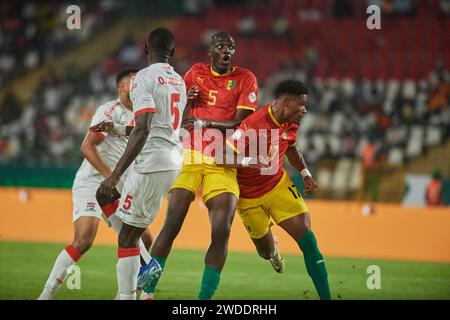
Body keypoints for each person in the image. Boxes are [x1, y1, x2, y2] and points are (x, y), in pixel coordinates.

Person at [144, 32, 259, 300]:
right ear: (210, 51)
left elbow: (242, 124)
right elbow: (180, 117)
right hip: (190, 156)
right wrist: (188, 101)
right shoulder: (195, 73)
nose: (226, 50)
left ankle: (203, 300)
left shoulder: (245, 78)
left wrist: (207, 124)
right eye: (221, 46)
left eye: (231, 46)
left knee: (222, 231)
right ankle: (147, 293)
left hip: (223, 160)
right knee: (172, 223)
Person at [37, 68, 153, 300]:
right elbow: (87, 147)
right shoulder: (109, 111)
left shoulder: (143, 116)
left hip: (117, 187)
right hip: (93, 182)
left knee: (145, 239)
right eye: (134, 83)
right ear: (122, 88)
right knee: (84, 239)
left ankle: (128, 293)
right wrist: (111, 177)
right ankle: (46, 295)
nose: (139, 86)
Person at [97, 27, 187, 300]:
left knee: (127, 238)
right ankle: (147, 263)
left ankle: (128, 293)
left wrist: (115, 174)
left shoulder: (142, 78)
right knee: (105, 198)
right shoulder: (179, 81)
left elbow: (144, 128)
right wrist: (118, 129)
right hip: (170, 161)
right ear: (172, 52)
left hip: (151, 164)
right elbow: (158, 126)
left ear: (145, 48)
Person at [224, 80, 332, 300]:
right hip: (249, 198)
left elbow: (291, 147)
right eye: (301, 105)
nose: (304, 110)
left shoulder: (290, 123)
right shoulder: (252, 124)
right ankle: (272, 251)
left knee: (309, 243)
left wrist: (305, 173)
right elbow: (224, 156)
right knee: (264, 252)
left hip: (279, 187)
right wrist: (250, 161)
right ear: (286, 102)